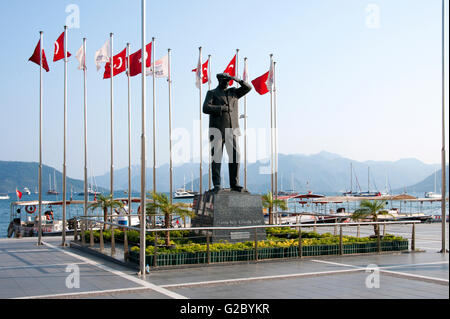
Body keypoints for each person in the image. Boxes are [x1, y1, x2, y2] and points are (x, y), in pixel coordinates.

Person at [203, 73, 252, 193]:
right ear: (219, 80)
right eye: (225, 81)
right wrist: (221, 108)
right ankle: (217, 185)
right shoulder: (212, 93)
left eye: (229, 81)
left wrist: (239, 80)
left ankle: (234, 184)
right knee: (217, 158)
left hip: (232, 130)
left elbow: (248, 88)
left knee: (236, 156)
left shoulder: (234, 92)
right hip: (217, 130)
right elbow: (205, 108)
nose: (227, 83)